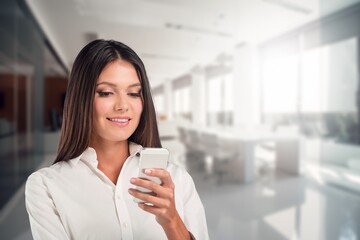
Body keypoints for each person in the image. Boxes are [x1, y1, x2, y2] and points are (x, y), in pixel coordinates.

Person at [25, 39, 209, 240]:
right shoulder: (46, 186)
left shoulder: (177, 179)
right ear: (81, 98)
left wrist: (172, 222)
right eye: (106, 93)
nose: (123, 105)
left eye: (133, 93)